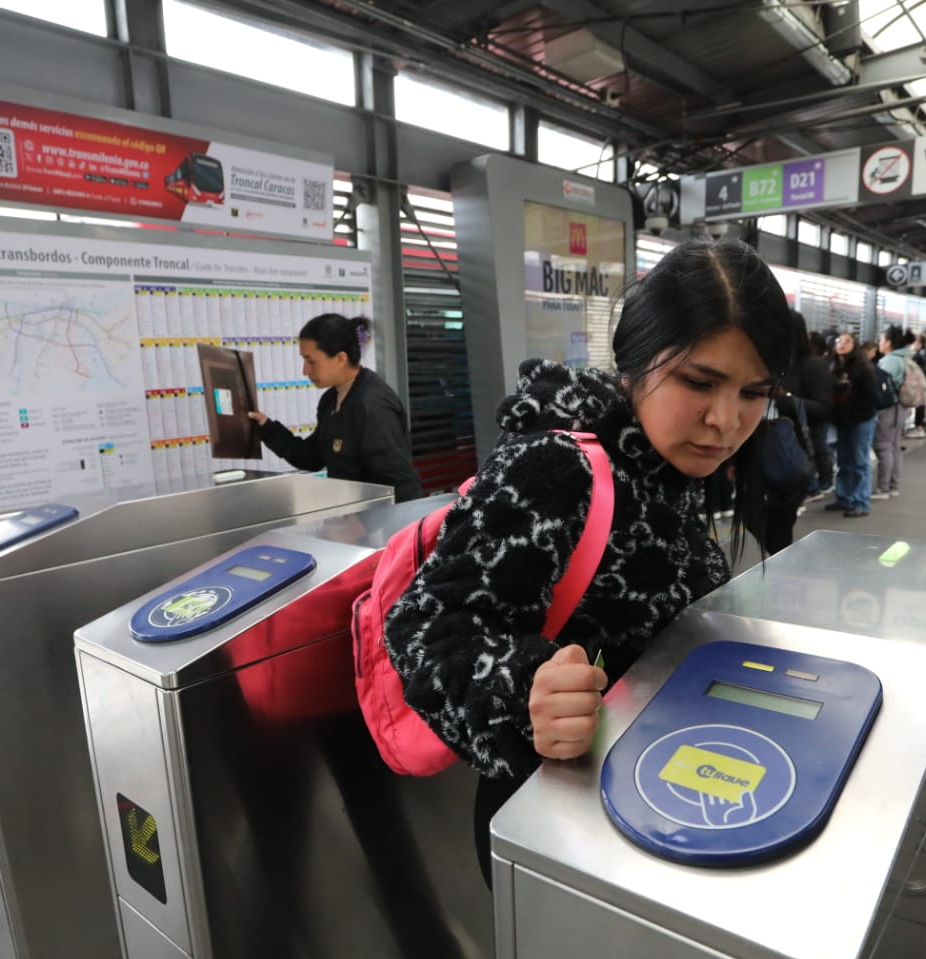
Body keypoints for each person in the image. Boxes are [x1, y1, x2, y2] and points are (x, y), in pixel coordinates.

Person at [382, 239, 794, 881]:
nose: (725, 420)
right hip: (554, 826)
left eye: (753, 392)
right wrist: (524, 694)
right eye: (699, 382)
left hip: (658, 799)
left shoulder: (670, 465)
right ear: (636, 360)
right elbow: (425, 625)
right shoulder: (558, 468)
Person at [249, 314, 423, 502]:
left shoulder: (372, 404)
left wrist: (367, 526)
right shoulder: (331, 400)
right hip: (349, 519)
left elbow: (402, 485)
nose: (305, 371)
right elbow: (312, 457)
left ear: (341, 358)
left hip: (378, 524)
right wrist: (266, 427)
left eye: (312, 361)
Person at [765, 312, 830, 552]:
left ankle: (779, 572)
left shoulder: (812, 364)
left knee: (780, 525)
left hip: (791, 452)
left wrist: (786, 399)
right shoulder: (767, 361)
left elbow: (824, 407)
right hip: (758, 449)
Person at [825, 331, 879, 517]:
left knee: (859, 461)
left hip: (861, 420)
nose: (842, 343)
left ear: (855, 345)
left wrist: (855, 415)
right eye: (839, 340)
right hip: (842, 420)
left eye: (847, 341)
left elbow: (872, 397)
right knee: (844, 460)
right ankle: (844, 497)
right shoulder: (832, 366)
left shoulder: (863, 368)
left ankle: (861, 502)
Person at [872, 326, 909, 499]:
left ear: (889, 343)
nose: (879, 342)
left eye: (881, 339)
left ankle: (883, 487)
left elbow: (882, 387)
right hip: (900, 407)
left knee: (883, 447)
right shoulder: (903, 357)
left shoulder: (890, 360)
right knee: (894, 447)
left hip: (889, 409)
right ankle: (893, 486)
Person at [804, 331, 835, 496]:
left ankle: (821, 482)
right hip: (815, 412)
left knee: (818, 447)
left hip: (814, 413)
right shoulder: (821, 363)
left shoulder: (815, 364)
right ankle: (823, 481)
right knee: (819, 447)